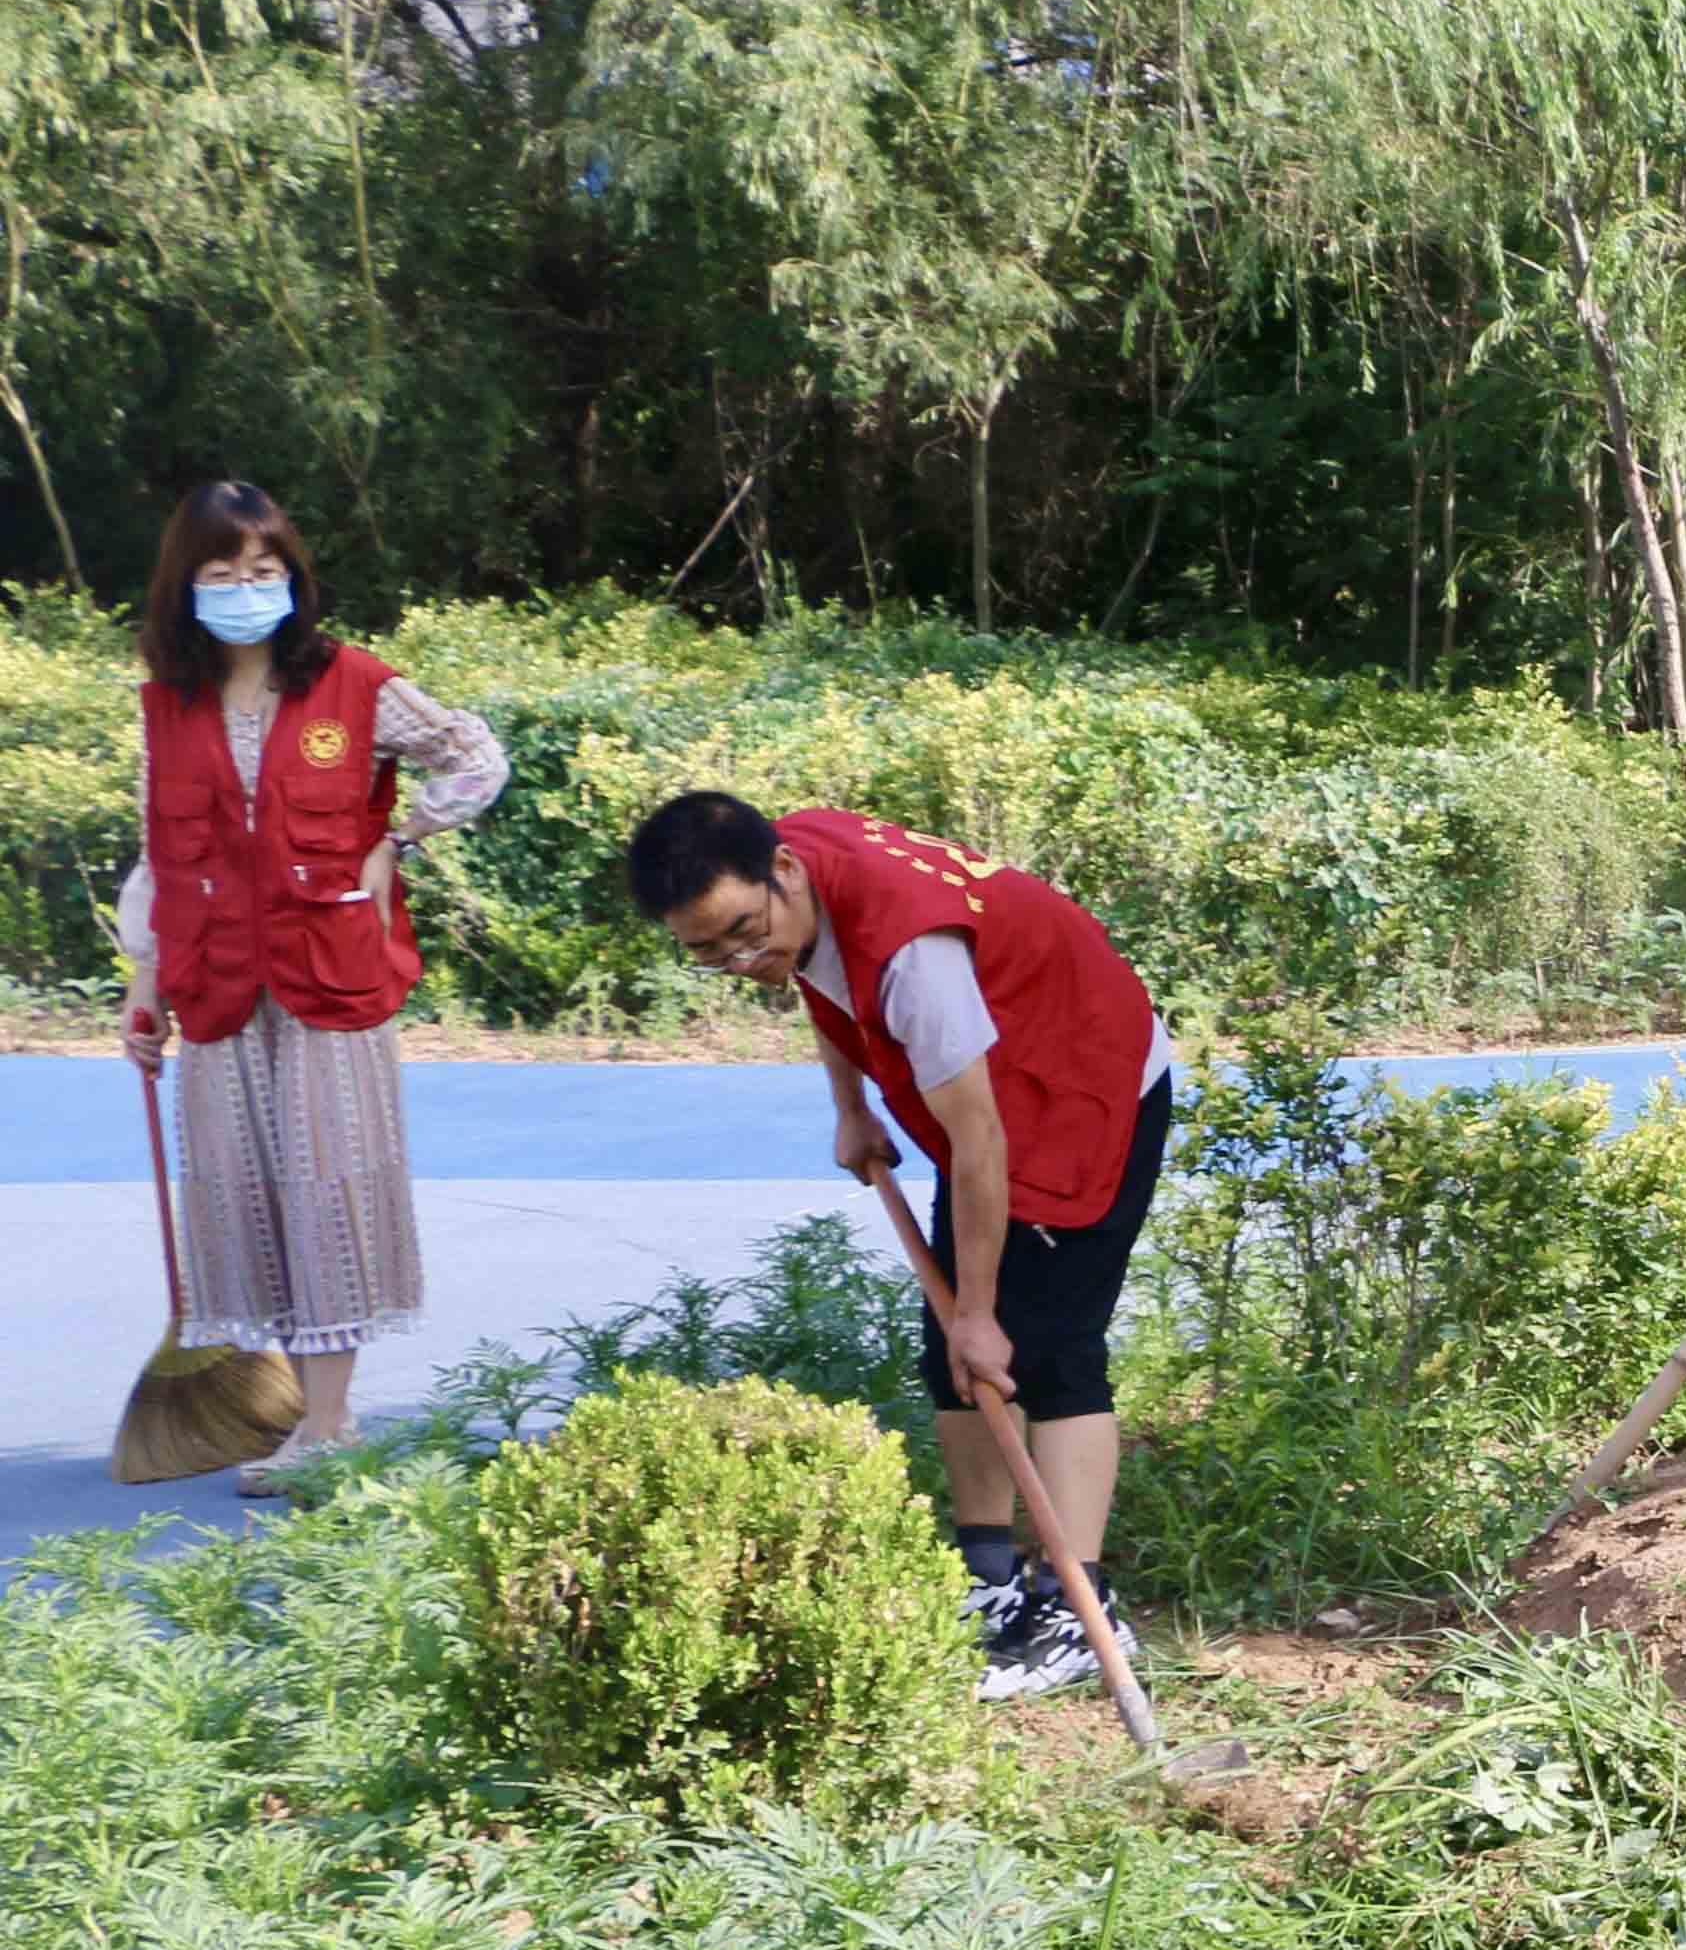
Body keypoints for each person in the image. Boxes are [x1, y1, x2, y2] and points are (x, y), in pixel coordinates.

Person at [619, 790, 1176, 1702]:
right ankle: (989, 1578)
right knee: (949, 1349)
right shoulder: (796, 882)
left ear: (784, 872)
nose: (741, 960)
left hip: (1080, 1086)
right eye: (709, 952)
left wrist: (982, 1312)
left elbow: (981, 1142)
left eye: (744, 933)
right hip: (991, 1090)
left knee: (1047, 1349)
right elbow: (819, 977)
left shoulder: (914, 955)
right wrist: (851, 1107)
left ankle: (1079, 1610)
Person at [115, 479, 510, 1487]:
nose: (246, 588)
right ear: (185, 585)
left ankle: (328, 1424)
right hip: (216, 982)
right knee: (249, 1194)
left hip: (328, 978)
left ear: (292, 576)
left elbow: (476, 760)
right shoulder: (168, 704)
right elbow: (159, 853)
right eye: (221, 572)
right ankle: (296, 1407)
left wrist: (399, 837)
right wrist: (144, 984)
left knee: (325, 1188)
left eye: (264, 569)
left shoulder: (355, 683)